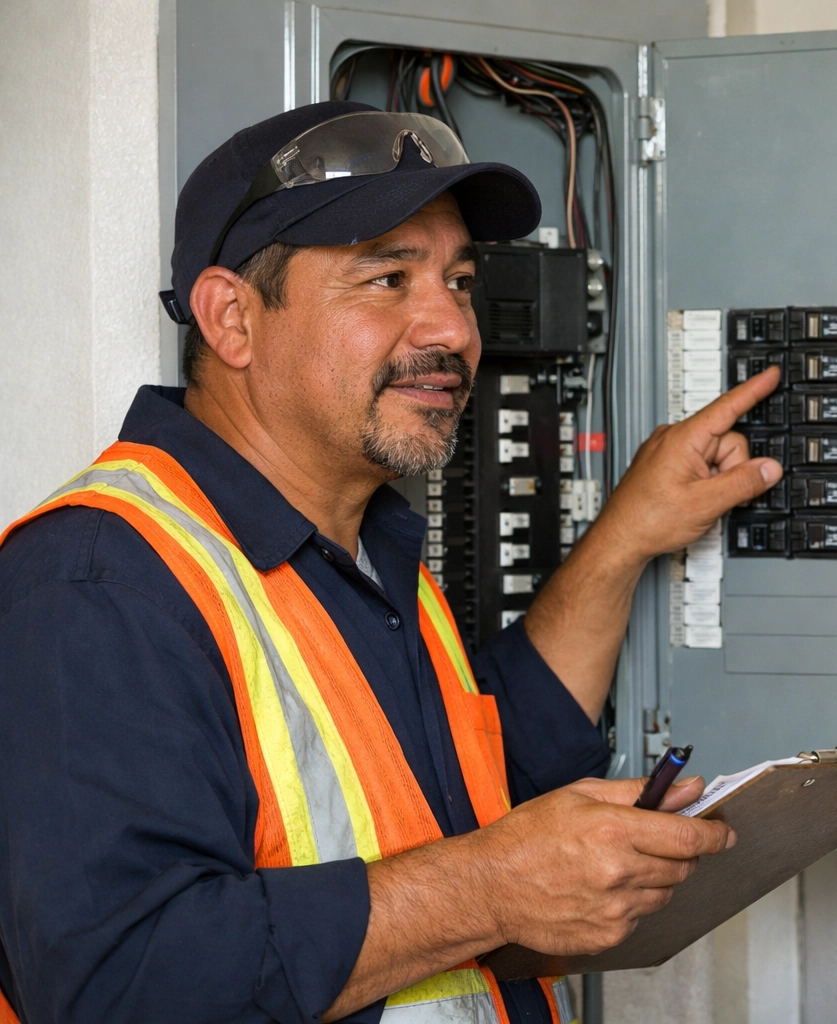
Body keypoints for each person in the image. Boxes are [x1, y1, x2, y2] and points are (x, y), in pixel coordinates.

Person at [0, 101, 783, 1024]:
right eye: (387, 279)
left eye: (460, 281)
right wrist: (490, 890)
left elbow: (486, 791)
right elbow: (118, 983)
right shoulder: (101, 585)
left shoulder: (364, 544)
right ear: (232, 318)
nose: (451, 328)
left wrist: (626, 537)